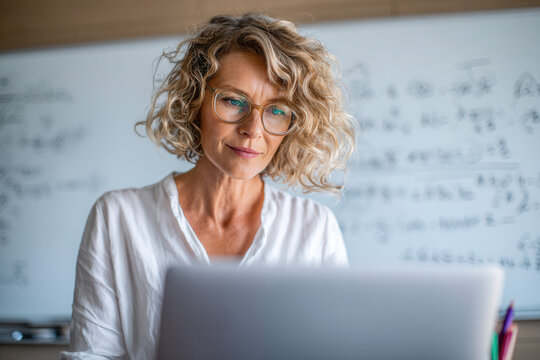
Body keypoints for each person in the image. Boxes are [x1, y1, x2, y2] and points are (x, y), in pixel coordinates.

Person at [60, 13, 356, 359]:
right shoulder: (118, 218)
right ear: (195, 100)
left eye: (276, 110)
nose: (253, 129)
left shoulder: (314, 230)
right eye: (233, 101)